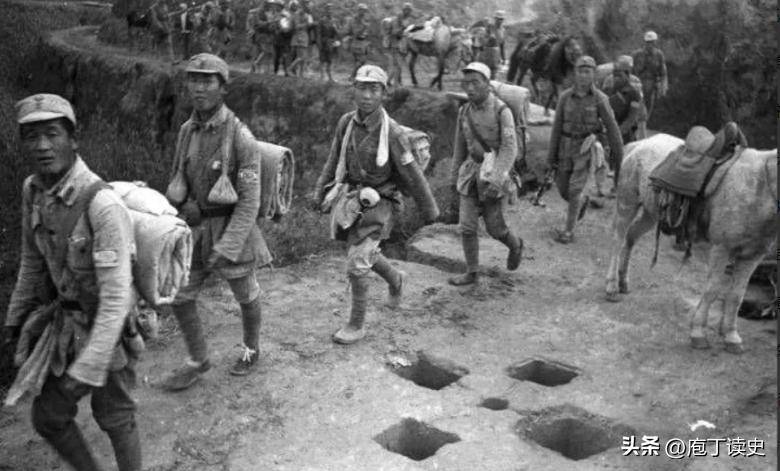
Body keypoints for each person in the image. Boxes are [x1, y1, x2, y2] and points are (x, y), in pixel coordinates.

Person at [5, 94, 141, 471]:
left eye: (52, 134)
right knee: (48, 417)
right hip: (66, 326)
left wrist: (90, 364)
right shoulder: (33, 191)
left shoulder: (102, 204)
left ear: (73, 140)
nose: (42, 146)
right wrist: (14, 322)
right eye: (32, 137)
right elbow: (31, 263)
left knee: (115, 415)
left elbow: (116, 296)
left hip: (108, 329)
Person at [159, 54, 270, 390]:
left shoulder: (241, 138)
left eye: (208, 81)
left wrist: (229, 244)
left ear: (223, 88)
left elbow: (249, 201)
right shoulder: (187, 131)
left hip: (230, 229)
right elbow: (179, 179)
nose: (199, 88)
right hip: (195, 230)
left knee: (246, 294)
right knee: (181, 295)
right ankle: (198, 360)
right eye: (194, 80)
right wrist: (179, 211)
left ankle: (251, 349)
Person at [312, 65, 439, 344]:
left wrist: (430, 210)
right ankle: (396, 279)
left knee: (358, 261)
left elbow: (412, 175)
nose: (367, 95)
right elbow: (334, 159)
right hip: (353, 198)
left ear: (384, 93)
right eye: (362, 88)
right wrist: (320, 191)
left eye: (374, 89)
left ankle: (356, 325)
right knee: (363, 251)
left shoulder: (392, 133)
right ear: (353, 90)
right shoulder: (346, 123)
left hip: (383, 202)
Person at [447, 62, 523, 286]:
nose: (470, 88)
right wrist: (453, 177)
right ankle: (472, 272)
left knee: (495, 228)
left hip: (494, 174)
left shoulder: (502, 111)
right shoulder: (464, 111)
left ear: (487, 84)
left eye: (475, 83)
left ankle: (515, 245)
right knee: (467, 227)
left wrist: (497, 180)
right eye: (466, 83)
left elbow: (509, 148)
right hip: (471, 173)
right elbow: (460, 147)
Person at [547, 56, 623, 244]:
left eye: (587, 72)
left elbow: (612, 128)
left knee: (574, 190)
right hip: (565, 147)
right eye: (580, 71)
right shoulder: (565, 97)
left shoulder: (600, 99)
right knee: (563, 188)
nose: (583, 75)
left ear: (593, 74)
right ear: (575, 73)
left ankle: (568, 231)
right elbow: (556, 128)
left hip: (585, 149)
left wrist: (619, 156)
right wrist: (550, 157)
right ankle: (581, 202)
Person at [631, 30, 668, 122]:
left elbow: (663, 72)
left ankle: (643, 125)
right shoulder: (636, 54)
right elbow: (630, 71)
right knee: (636, 106)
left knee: (648, 108)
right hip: (637, 84)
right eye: (648, 42)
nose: (650, 45)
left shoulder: (659, 55)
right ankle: (633, 124)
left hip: (651, 85)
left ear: (655, 43)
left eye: (652, 42)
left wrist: (663, 87)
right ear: (645, 42)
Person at [387, 2, 416, 86]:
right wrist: (403, 28)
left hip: (401, 45)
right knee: (398, 65)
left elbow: (404, 32)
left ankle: (388, 81)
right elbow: (394, 32)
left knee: (396, 65)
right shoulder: (396, 20)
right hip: (395, 44)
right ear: (404, 10)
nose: (409, 13)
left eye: (410, 11)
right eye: (408, 10)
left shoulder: (405, 20)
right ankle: (396, 84)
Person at [247, 0, 276, 74]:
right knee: (260, 52)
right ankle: (254, 68)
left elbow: (271, 24)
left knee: (267, 52)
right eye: (268, 4)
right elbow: (258, 23)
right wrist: (268, 23)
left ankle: (263, 70)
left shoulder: (270, 12)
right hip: (260, 34)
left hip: (268, 34)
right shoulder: (258, 12)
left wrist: (272, 25)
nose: (269, 5)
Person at [344, 4, 372, 80]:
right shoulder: (354, 20)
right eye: (363, 10)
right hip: (356, 42)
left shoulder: (364, 19)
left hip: (363, 42)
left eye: (365, 11)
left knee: (359, 62)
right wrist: (364, 27)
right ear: (359, 10)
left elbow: (367, 32)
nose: (364, 12)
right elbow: (356, 32)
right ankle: (352, 76)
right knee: (361, 61)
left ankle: (356, 77)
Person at [287, 0, 313, 76]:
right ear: (302, 5)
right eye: (306, 4)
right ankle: (289, 68)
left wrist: (311, 24)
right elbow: (297, 26)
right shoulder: (297, 15)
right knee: (301, 57)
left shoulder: (307, 15)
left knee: (303, 58)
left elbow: (309, 26)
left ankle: (301, 74)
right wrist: (307, 24)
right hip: (298, 36)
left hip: (305, 36)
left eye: (308, 4)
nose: (308, 6)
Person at [315, 2, 339, 81]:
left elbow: (337, 33)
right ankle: (322, 76)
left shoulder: (334, 21)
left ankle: (330, 77)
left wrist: (335, 41)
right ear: (325, 11)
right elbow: (318, 33)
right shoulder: (322, 20)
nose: (329, 11)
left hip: (331, 43)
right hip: (323, 41)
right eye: (328, 9)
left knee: (330, 60)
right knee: (322, 60)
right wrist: (319, 44)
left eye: (331, 9)